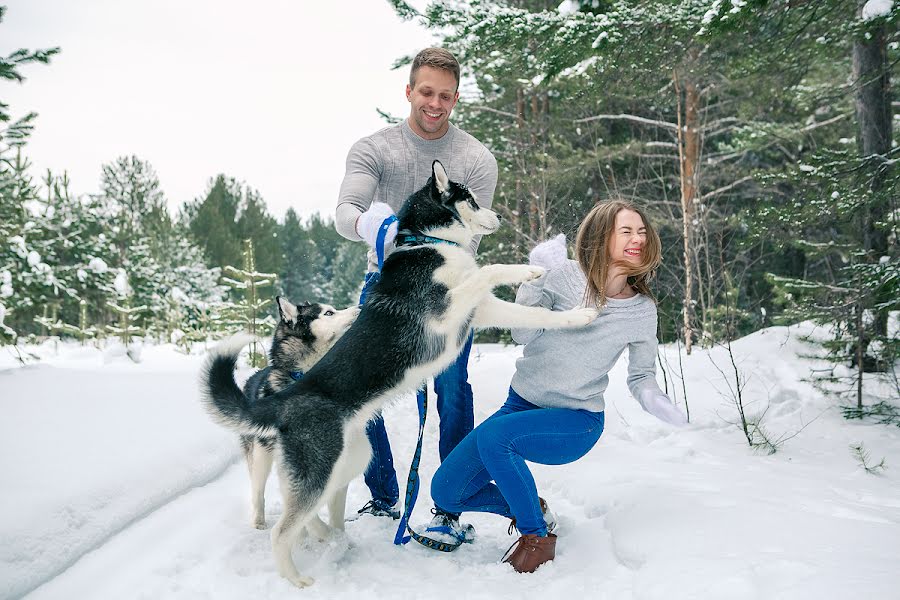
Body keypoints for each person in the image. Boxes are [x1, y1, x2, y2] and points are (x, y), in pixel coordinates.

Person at [429, 200, 687, 573]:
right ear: (601, 236)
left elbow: (641, 375)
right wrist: (536, 277)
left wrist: (653, 397)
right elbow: (523, 332)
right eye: (627, 231)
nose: (638, 239)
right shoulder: (562, 274)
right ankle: (535, 508)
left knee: (496, 438)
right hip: (520, 406)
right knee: (447, 490)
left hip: (576, 421)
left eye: (642, 232)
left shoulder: (641, 309)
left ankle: (536, 537)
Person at [335, 48, 498, 543]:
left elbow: (470, 234)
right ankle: (383, 493)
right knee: (360, 387)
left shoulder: (476, 159)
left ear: (455, 98)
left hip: (448, 286)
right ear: (409, 91)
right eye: (426, 92)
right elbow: (344, 211)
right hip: (384, 284)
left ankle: (450, 504)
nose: (435, 103)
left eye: (446, 95)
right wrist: (371, 225)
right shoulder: (375, 149)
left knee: (451, 387)